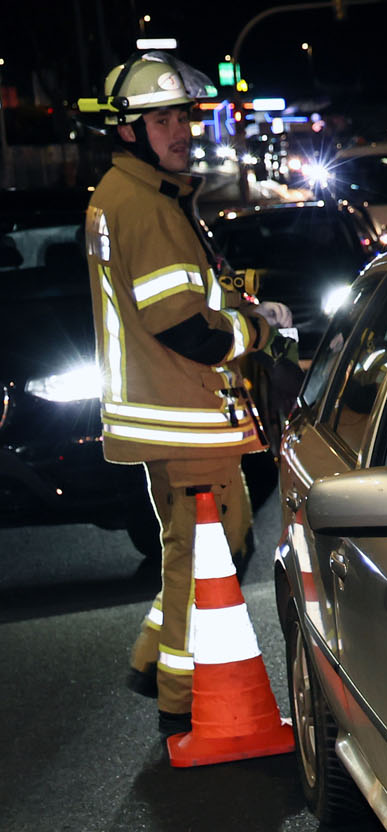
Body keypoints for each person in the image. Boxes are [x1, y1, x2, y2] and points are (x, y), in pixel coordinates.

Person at [77, 52, 293, 734]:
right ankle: (181, 700)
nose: (179, 132)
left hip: (168, 414)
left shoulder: (133, 195)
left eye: (181, 117)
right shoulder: (145, 206)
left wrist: (237, 303)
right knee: (207, 556)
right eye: (161, 121)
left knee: (192, 553)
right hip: (183, 414)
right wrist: (258, 331)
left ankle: (156, 664)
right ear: (127, 131)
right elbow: (184, 327)